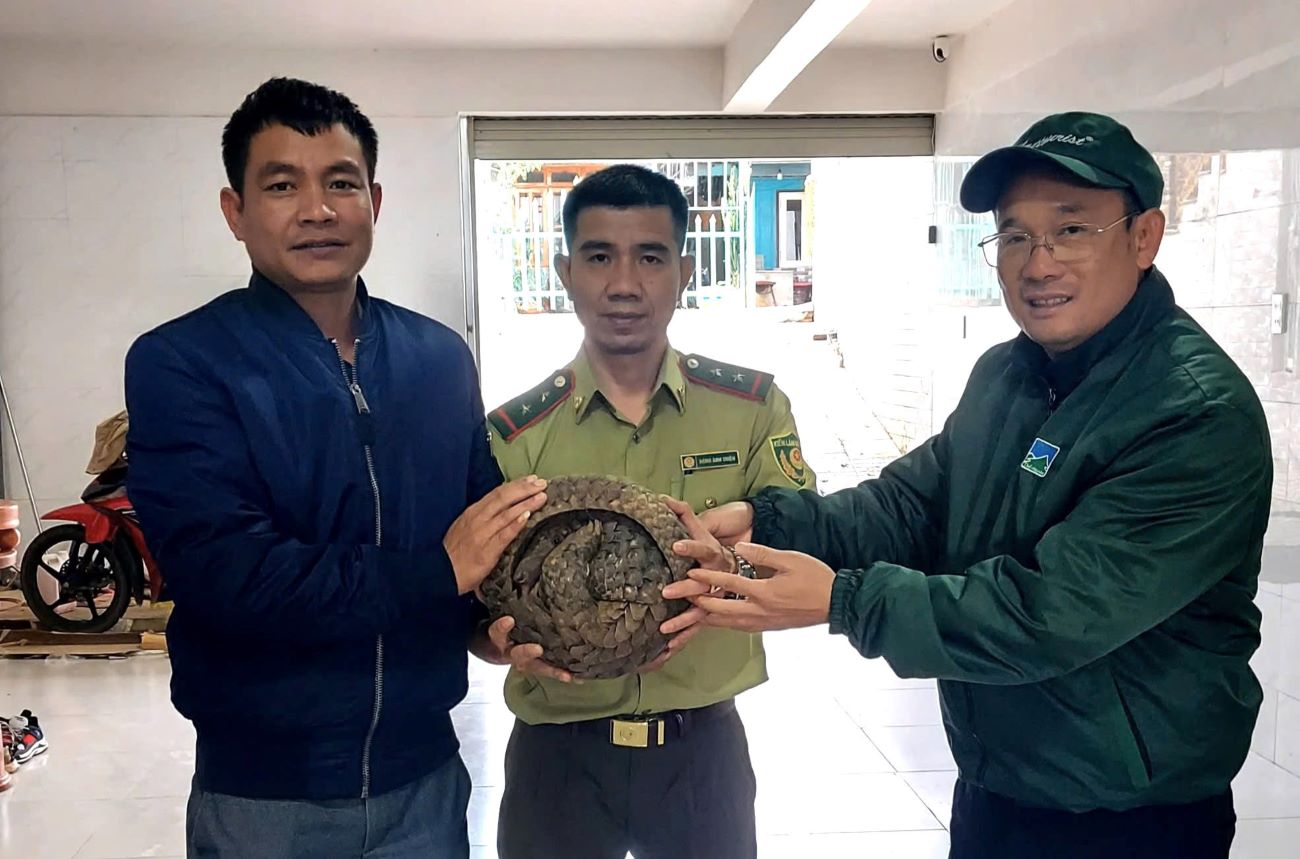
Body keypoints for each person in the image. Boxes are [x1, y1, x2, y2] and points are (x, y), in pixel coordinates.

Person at [670, 112, 1273, 859]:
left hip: (1131, 819)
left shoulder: (1193, 411)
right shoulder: (1008, 375)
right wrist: (767, 524)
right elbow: (911, 505)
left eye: (1071, 230)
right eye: (1015, 235)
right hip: (997, 789)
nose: (1037, 262)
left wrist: (843, 600)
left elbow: (1050, 613)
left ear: (1144, 237)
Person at [125, 77, 547, 858]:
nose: (316, 209)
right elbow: (234, 577)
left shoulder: (438, 359)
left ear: (375, 203)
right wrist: (437, 573)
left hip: (426, 783)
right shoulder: (183, 364)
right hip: (264, 800)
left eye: (340, 182)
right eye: (282, 184)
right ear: (236, 212)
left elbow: (481, 534)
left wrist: (494, 625)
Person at [478, 164, 816, 859]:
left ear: (684, 270)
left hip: (703, 759)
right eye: (599, 256)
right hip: (558, 760)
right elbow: (473, 615)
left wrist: (731, 566)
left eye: (650, 257)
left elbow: (807, 557)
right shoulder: (513, 437)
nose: (624, 283)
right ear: (566, 269)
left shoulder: (751, 410)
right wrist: (495, 640)